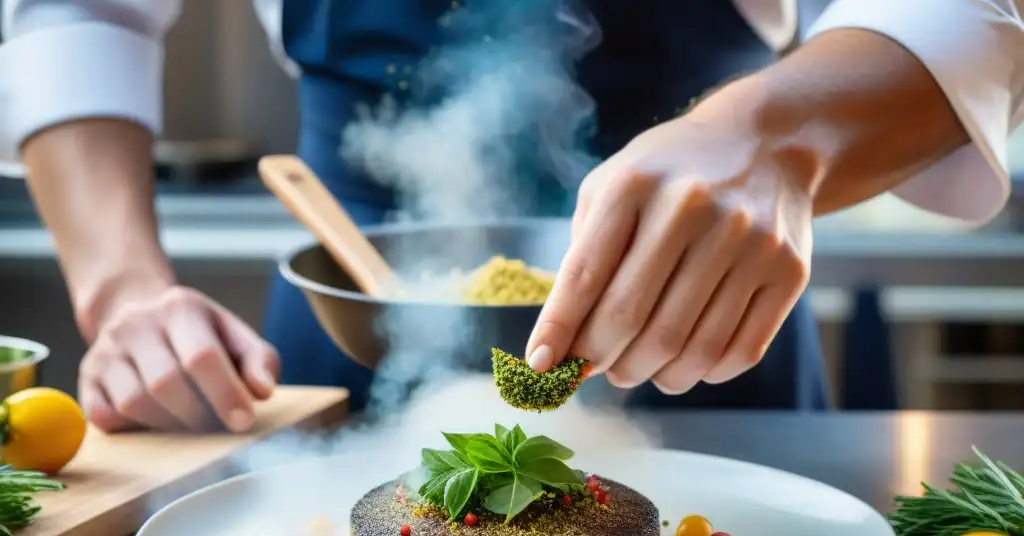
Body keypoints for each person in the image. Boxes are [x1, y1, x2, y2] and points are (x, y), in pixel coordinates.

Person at [1, 1, 1022, 432]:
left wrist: (775, 138)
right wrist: (125, 288)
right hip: (344, 319)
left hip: (702, 304)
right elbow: (79, 9)